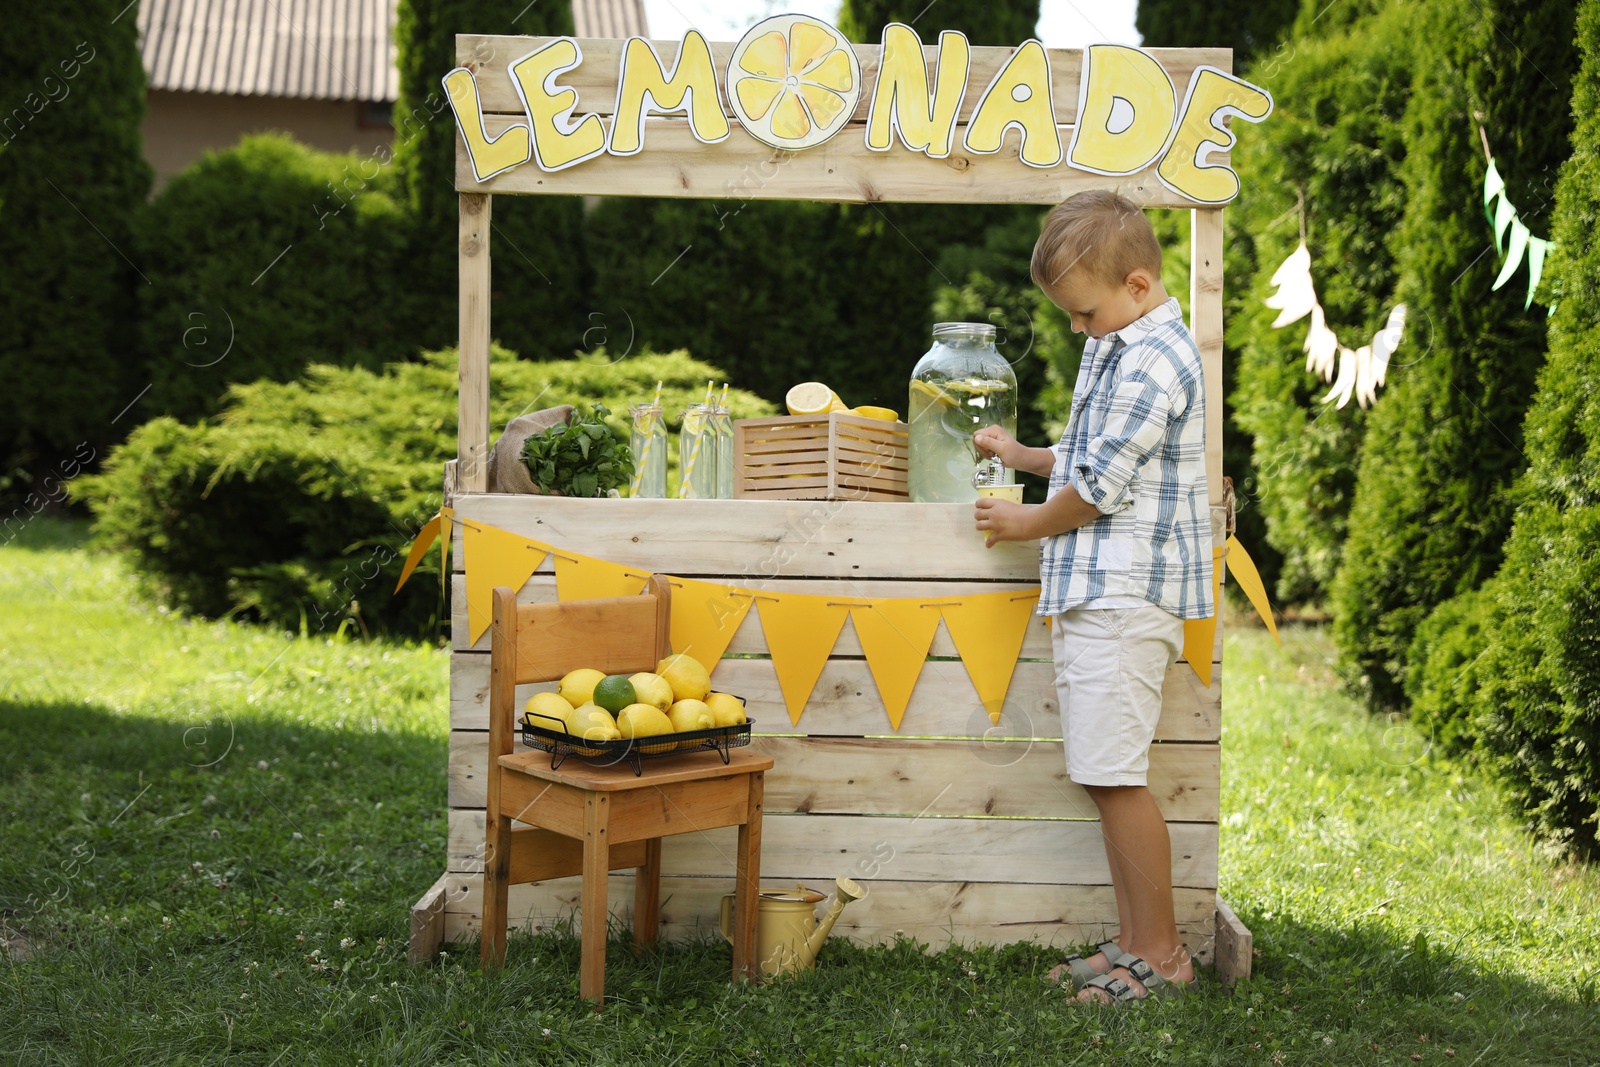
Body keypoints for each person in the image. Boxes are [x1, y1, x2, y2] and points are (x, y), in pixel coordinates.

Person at [972, 189, 1213, 1004]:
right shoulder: (1120, 341)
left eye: (1083, 313)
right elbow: (1084, 454)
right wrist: (1023, 452)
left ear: (1139, 285)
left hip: (1124, 594)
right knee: (1103, 773)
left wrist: (1025, 521)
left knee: (1117, 777)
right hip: (1094, 593)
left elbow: (1101, 487)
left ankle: (1168, 953)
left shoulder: (1156, 357)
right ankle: (1137, 940)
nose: (1077, 328)